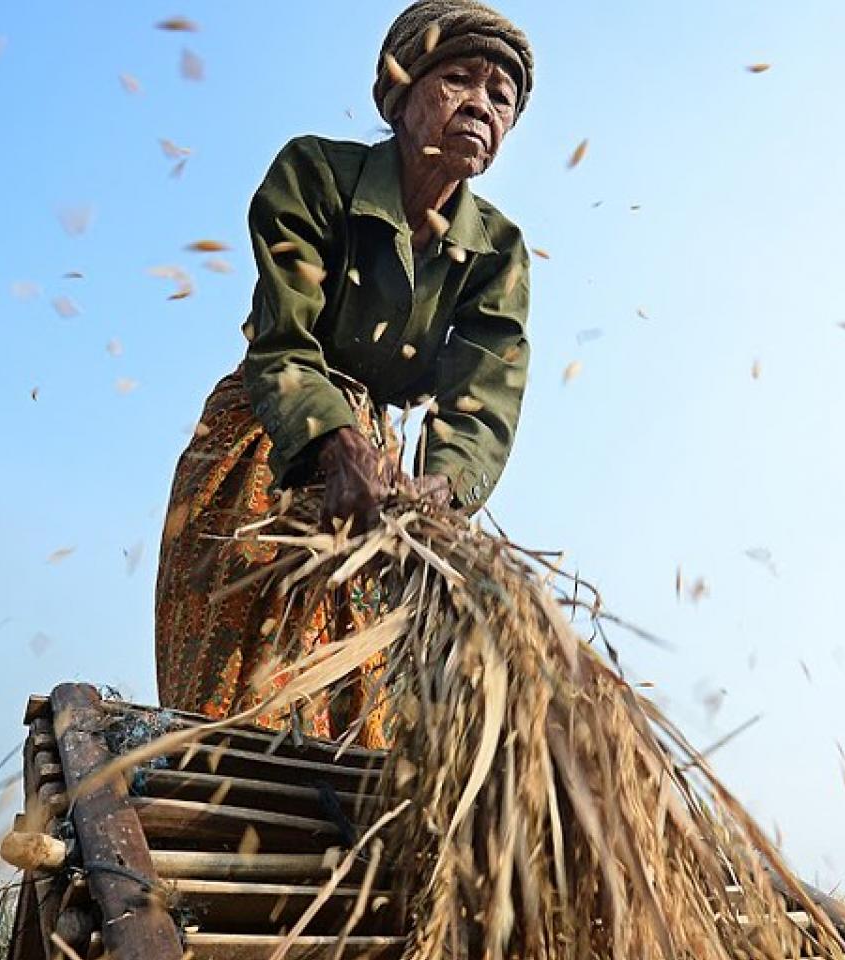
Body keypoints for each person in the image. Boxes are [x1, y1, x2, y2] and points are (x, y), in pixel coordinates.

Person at [154, 0, 535, 747]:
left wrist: (442, 492)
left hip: (380, 480)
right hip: (272, 435)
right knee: (242, 678)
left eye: (501, 95)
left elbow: (483, 400)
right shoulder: (315, 174)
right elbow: (284, 338)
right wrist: (335, 445)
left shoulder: (499, 251)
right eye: (459, 77)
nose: (482, 105)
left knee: (361, 703)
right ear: (399, 91)